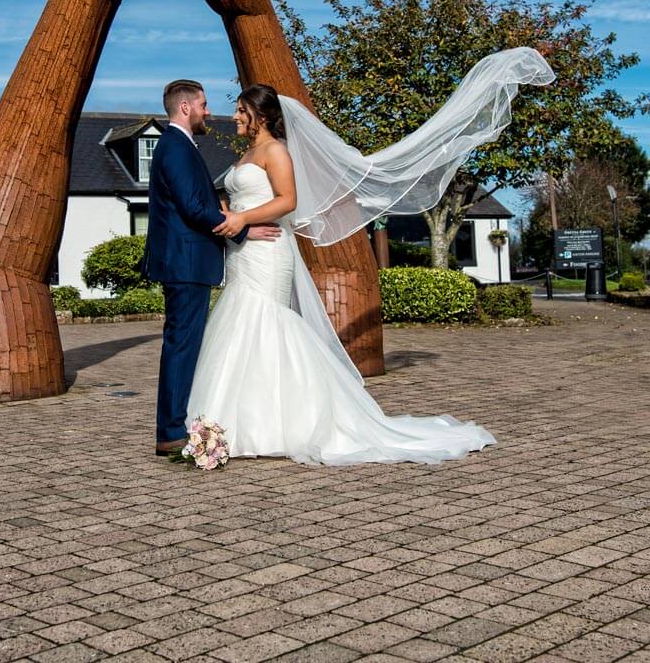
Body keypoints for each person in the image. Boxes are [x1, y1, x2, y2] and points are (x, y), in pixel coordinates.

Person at [187, 47, 555, 465]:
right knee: (240, 325)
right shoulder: (246, 155)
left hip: (269, 252)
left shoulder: (276, 152)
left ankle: (289, 422)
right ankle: (239, 424)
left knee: (266, 324)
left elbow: (288, 200)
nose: (234, 116)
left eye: (240, 110)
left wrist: (242, 218)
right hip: (244, 254)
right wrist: (230, 216)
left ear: (262, 116)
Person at [142, 79, 281, 456]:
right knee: (182, 346)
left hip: (186, 262)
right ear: (185, 108)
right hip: (185, 263)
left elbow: (198, 201)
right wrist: (243, 229)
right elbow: (192, 207)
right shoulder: (175, 147)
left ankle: (174, 426)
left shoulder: (180, 147)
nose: (209, 112)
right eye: (203, 105)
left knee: (184, 345)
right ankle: (171, 431)